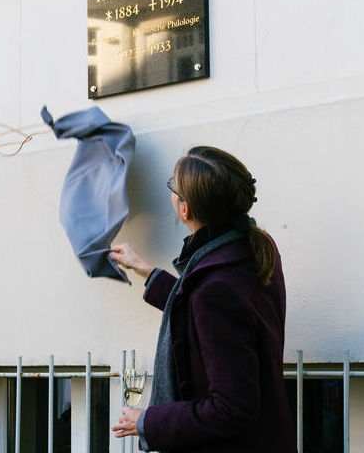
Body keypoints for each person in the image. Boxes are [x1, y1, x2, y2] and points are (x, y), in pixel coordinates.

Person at [109, 146, 296, 452]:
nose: (172, 194)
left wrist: (148, 420)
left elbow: (231, 410)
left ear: (185, 210)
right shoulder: (250, 250)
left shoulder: (215, 288)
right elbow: (199, 309)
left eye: (174, 188)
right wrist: (145, 269)